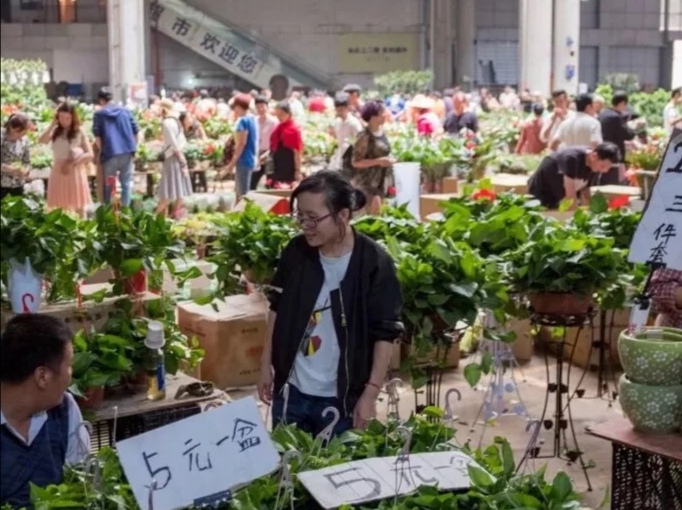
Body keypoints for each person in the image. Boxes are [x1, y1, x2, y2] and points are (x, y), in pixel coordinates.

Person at [257, 170, 403, 437]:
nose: (305, 226)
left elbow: (386, 333)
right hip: (291, 391)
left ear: (343, 215)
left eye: (313, 218)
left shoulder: (373, 263)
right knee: (287, 472)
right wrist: (266, 365)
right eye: (300, 216)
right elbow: (276, 309)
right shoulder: (296, 252)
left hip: (342, 399)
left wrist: (370, 393)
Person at [0, 314, 90, 509]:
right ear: (42, 376)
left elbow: (81, 483)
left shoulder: (65, 410)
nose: (70, 374)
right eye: (69, 365)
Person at [527, 142, 620, 210]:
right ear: (593, 156)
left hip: (560, 198)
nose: (604, 171)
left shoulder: (594, 165)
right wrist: (577, 214)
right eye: (603, 166)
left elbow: (586, 191)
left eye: (608, 168)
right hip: (542, 193)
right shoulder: (571, 158)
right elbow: (570, 193)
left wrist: (597, 208)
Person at [38, 103, 93, 215]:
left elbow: (90, 154)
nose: (64, 121)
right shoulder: (55, 131)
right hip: (58, 170)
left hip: (75, 169)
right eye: (61, 117)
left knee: (79, 205)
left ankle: (83, 229)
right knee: (58, 205)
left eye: (67, 118)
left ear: (73, 117)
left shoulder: (79, 131)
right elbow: (41, 141)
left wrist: (72, 163)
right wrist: (52, 124)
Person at [92, 87, 139, 207]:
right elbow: (136, 131)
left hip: (109, 153)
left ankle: (109, 212)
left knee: (109, 185)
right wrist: (134, 149)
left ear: (101, 100)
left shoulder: (99, 114)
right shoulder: (125, 111)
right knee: (126, 184)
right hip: (127, 151)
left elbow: (98, 137)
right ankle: (125, 212)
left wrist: (100, 153)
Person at [351, 100, 395, 215]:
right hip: (368, 183)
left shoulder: (381, 133)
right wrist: (378, 161)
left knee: (379, 214)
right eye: (381, 113)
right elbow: (356, 162)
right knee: (374, 215)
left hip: (381, 180)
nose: (385, 115)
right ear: (372, 117)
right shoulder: (364, 136)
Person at [155, 99, 192, 218]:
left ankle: (156, 219)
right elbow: (180, 142)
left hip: (173, 157)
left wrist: (181, 159)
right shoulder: (176, 120)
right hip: (179, 156)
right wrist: (183, 160)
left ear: (163, 108)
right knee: (179, 190)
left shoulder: (167, 122)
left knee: (168, 191)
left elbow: (172, 143)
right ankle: (174, 217)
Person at [222, 93, 259, 200]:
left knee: (242, 195)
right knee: (244, 192)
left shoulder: (242, 121)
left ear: (238, 106)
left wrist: (231, 164)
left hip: (243, 160)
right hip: (251, 159)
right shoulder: (252, 118)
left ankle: (243, 215)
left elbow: (241, 144)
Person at [598, 91, 640, 185]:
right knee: (614, 184)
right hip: (613, 154)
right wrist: (634, 127)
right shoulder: (616, 117)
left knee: (602, 183)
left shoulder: (603, 114)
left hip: (601, 152)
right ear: (622, 103)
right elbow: (628, 135)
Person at [269, 101, 303, 187]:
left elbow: (297, 151)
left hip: (288, 166)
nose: (279, 117)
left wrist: (297, 170)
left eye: (282, 114)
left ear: (289, 113)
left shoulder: (294, 129)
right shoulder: (278, 127)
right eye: (278, 114)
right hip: (276, 165)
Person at [250, 95, 279, 190]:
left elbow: (276, 141)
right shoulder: (254, 121)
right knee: (252, 182)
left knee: (270, 182)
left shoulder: (274, 122)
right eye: (258, 107)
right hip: (257, 154)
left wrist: (267, 153)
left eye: (262, 106)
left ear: (267, 106)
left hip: (269, 154)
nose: (260, 109)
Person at [329, 93, 363, 172]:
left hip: (351, 159)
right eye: (337, 110)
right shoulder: (337, 122)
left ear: (347, 108)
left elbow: (360, 140)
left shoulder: (354, 123)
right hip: (340, 158)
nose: (338, 112)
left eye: (341, 110)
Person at [0, 113, 31, 200]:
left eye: (24, 131)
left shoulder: (24, 140)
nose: (22, 134)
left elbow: (27, 161)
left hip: (17, 184)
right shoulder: (1, 136)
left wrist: (25, 170)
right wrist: (9, 169)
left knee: (15, 211)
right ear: (11, 128)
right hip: (2, 183)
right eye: (19, 131)